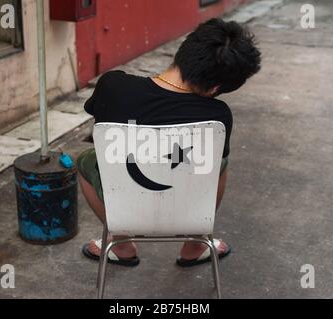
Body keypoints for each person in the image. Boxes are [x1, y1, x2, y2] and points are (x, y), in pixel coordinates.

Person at [77, 18, 261, 267]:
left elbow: (98, 125)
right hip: (183, 199)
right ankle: (196, 244)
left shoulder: (113, 86)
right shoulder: (218, 115)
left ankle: (120, 244)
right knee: (220, 161)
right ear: (215, 88)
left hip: (126, 198)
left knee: (85, 161)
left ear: (184, 50)